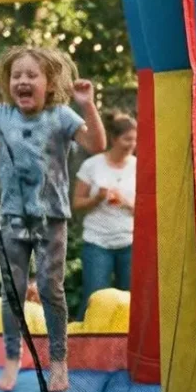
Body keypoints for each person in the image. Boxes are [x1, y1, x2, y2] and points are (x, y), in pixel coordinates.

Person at [0, 47, 106, 392]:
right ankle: (12, 358)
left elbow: (96, 144)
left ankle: (58, 361)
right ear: (8, 83)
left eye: (31, 75)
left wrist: (88, 105)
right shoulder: (2, 114)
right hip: (12, 217)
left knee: (51, 289)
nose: (22, 81)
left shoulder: (60, 115)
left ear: (49, 82)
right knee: (13, 291)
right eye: (16, 76)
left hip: (51, 217)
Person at [72, 112, 137, 319]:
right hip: (97, 243)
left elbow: (146, 210)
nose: (132, 144)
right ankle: (85, 337)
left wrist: (125, 201)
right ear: (114, 139)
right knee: (94, 298)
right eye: (127, 139)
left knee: (130, 301)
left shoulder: (138, 166)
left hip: (128, 242)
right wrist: (97, 199)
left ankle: (124, 339)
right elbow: (77, 203)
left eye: (134, 139)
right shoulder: (92, 165)